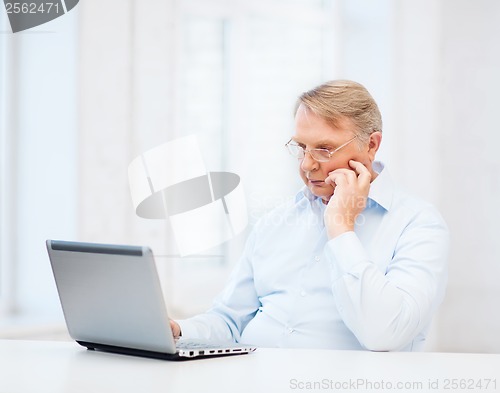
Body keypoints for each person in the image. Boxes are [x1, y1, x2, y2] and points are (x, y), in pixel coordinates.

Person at [170, 80, 449, 351]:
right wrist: (178, 331)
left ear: (371, 145)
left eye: (324, 149)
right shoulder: (275, 221)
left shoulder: (418, 224)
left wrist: (341, 228)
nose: (307, 164)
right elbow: (230, 321)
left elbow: (386, 334)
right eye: (301, 147)